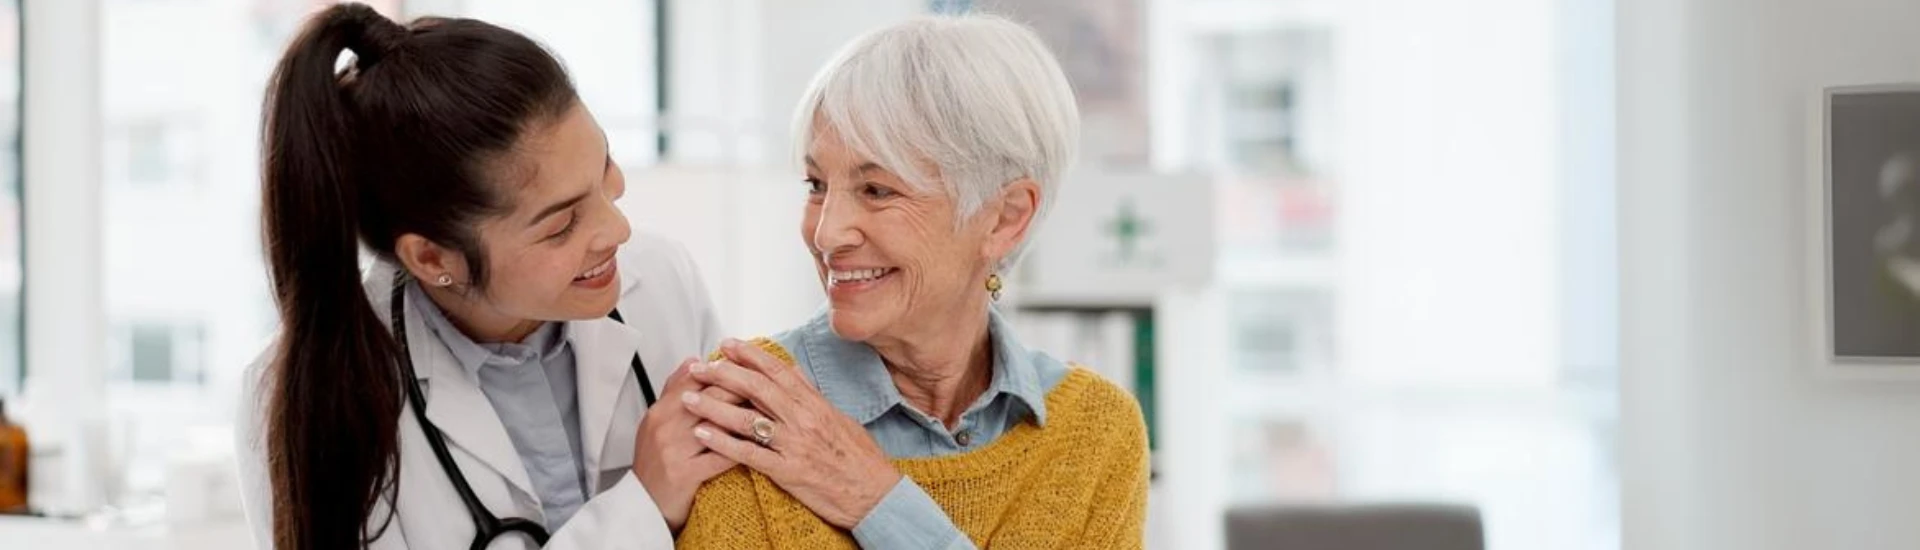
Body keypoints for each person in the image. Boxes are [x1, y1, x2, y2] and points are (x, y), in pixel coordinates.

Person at [233, 4, 741, 549]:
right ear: (433, 259)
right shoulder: (307, 398)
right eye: (561, 225)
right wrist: (642, 511)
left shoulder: (661, 282)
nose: (618, 229)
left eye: (605, 169)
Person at [673, 14, 1149, 549]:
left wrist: (877, 502)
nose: (827, 233)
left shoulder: (1095, 432)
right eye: (816, 184)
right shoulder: (747, 410)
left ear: (1005, 218)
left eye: (877, 190)